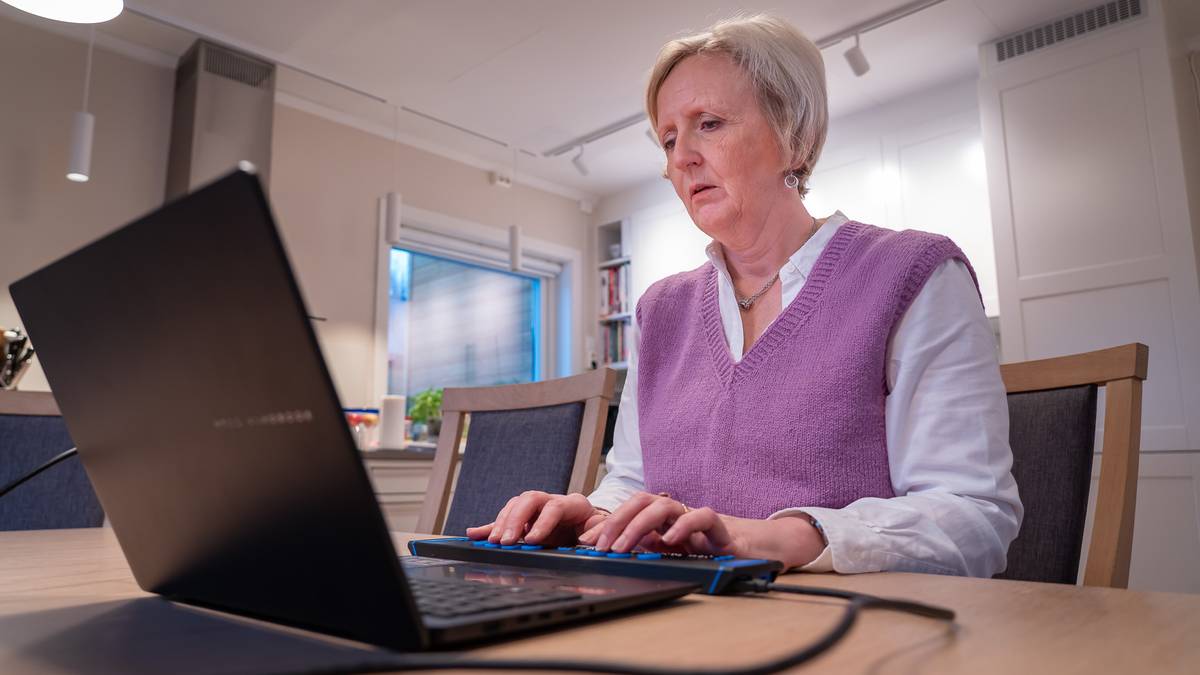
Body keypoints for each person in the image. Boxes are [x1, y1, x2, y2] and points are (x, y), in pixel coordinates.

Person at [467, 14, 1022, 576]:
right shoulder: (661, 310)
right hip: (671, 618)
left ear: (796, 138)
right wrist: (591, 514)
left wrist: (775, 538)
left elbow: (973, 515)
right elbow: (632, 480)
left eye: (707, 123)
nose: (680, 157)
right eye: (667, 138)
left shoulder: (912, 272)